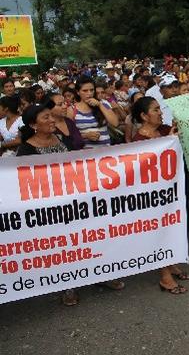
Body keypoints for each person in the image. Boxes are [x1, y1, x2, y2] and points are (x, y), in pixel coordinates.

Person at [17, 101, 125, 305]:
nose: (52, 120)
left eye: (51, 116)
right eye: (46, 118)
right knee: (65, 248)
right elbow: (25, 184)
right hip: (51, 209)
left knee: (88, 241)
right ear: (33, 125)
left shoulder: (60, 138)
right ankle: (68, 286)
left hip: (75, 203)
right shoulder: (25, 151)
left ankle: (100, 275)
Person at [130, 97, 189, 294]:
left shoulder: (165, 130)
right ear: (144, 116)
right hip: (154, 195)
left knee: (172, 227)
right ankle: (164, 276)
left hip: (173, 190)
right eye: (156, 110)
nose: (160, 112)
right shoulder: (139, 141)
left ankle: (171, 263)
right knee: (158, 231)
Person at [67, 76, 119, 149]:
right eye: (85, 91)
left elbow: (115, 123)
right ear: (78, 92)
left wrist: (99, 105)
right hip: (85, 154)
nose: (89, 93)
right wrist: (86, 136)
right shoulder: (72, 110)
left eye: (92, 90)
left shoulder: (102, 104)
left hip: (106, 151)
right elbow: (70, 135)